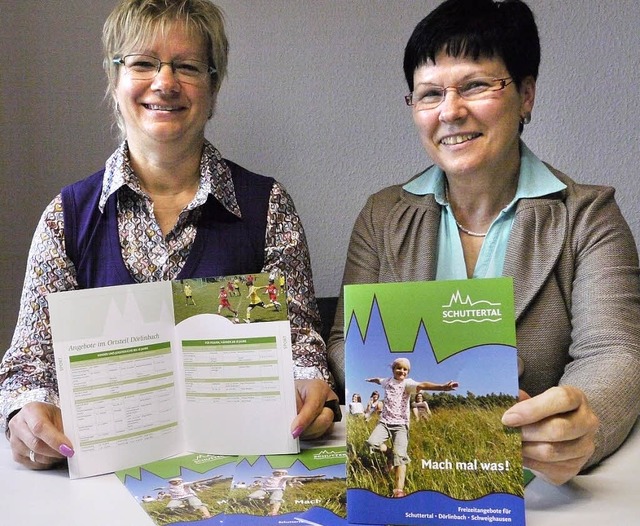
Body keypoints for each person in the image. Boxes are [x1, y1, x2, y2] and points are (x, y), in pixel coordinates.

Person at [0, 0, 338, 471]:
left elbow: (299, 342)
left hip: (243, 472)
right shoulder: (66, 217)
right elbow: (29, 364)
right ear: (113, 78)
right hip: (100, 484)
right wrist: (25, 414)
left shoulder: (267, 207)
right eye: (142, 63)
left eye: (187, 66)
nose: (164, 83)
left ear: (214, 86)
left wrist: (308, 388)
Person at [327, 0, 640, 486]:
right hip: (411, 482)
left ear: (527, 95)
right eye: (429, 94)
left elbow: (614, 350)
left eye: (475, 85)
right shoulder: (382, 215)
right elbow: (348, 339)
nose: (450, 111)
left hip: (541, 490)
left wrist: (582, 425)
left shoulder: (589, 216)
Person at [365, 358, 458, 498]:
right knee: (372, 443)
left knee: (400, 456)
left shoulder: (407, 383)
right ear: (393, 369)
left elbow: (423, 385)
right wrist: (372, 379)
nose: (402, 371)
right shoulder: (388, 381)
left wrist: (442, 387)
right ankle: (389, 454)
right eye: (399, 368)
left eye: (405, 370)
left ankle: (398, 490)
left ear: (408, 373)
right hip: (384, 422)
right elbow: (379, 380)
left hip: (401, 425)